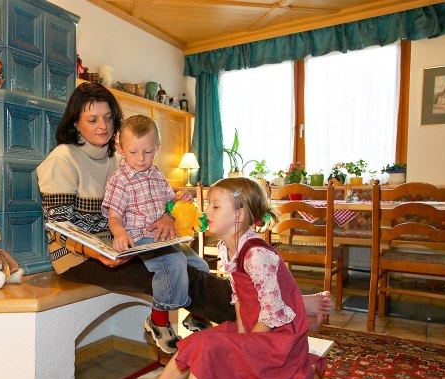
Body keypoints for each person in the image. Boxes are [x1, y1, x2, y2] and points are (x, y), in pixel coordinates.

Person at [36, 82, 330, 338]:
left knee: (195, 263)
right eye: (92, 119)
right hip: (81, 258)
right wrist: (95, 252)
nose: (102, 125)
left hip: (127, 244)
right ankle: (284, 308)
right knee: (187, 277)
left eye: (108, 117)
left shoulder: (121, 157)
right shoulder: (63, 159)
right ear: (76, 123)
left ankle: (267, 311)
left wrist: (166, 216)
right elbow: (59, 228)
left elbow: (152, 201)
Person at [106, 177, 328, 379]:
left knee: (209, 351)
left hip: (277, 341)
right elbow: (241, 299)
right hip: (255, 331)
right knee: (195, 343)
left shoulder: (257, 255)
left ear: (240, 214)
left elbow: (270, 313)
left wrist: (246, 348)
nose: (206, 212)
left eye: (215, 207)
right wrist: (241, 338)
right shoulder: (228, 247)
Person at [103, 114, 210, 354]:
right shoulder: (119, 181)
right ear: (121, 149)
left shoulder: (157, 175)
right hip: (140, 239)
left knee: (200, 264)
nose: (140, 159)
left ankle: (198, 315)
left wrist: (180, 198)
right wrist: (119, 233)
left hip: (165, 237)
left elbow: (170, 203)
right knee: (173, 260)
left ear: (157, 149)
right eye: (133, 152)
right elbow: (114, 216)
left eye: (147, 152)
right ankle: (159, 319)